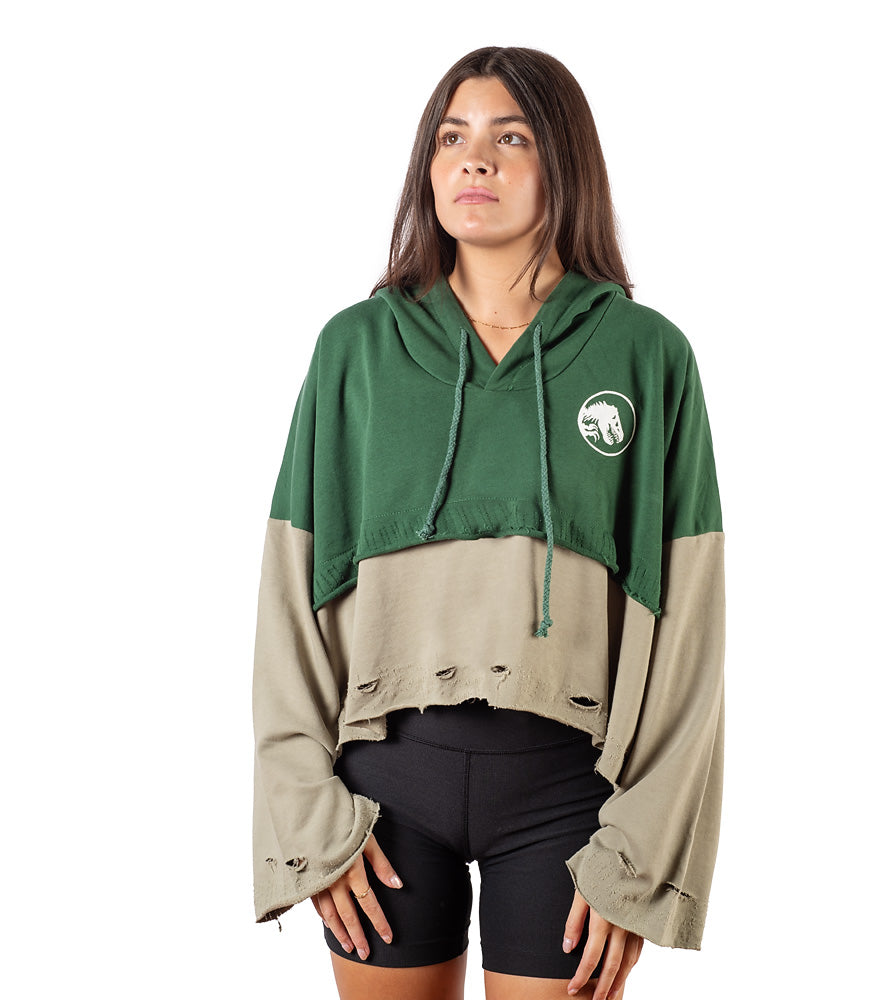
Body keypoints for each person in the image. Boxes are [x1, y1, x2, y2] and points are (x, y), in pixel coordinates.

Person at [251, 46, 726, 1000]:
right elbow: (290, 598)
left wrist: (641, 849)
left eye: (511, 138)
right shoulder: (356, 350)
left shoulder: (646, 356)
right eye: (451, 138)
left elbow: (689, 625)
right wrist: (306, 821)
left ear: (564, 163)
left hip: (571, 798)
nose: (475, 159)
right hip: (383, 791)